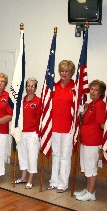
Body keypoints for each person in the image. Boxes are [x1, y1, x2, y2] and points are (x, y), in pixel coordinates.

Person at [74, 80, 106, 201]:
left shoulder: (100, 104)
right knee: (87, 166)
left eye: (96, 90)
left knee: (91, 167)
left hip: (93, 141)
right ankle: (88, 189)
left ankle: (91, 192)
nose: (92, 92)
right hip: (85, 140)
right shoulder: (91, 104)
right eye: (91, 89)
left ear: (101, 92)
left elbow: (102, 124)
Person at [47, 60, 75, 193]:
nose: (64, 73)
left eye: (67, 71)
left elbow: (79, 109)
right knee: (56, 154)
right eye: (62, 71)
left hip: (69, 128)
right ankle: (54, 181)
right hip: (55, 126)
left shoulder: (75, 87)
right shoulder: (54, 86)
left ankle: (63, 183)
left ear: (71, 73)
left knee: (65, 156)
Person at [14, 78, 42, 189]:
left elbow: (41, 118)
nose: (30, 88)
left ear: (35, 88)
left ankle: (30, 179)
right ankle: (23, 177)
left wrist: (38, 133)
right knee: (23, 156)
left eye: (32, 86)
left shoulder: (38, 101)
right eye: (28, 86)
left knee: (32, 157)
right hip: (22, 132)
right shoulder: (21, 100)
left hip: (33, 134)